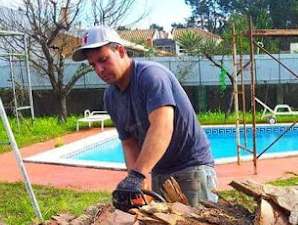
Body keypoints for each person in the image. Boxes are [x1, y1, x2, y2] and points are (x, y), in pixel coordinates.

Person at [72, 25, 218, 207]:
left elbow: (163, 127)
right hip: (159, 170)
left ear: (120, 50)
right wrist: (135, 185)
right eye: (93, 65)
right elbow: (129, 143)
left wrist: (137, 174)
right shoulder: (110, 96)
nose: (100, 69)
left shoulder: (151, 76)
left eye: (103, 60)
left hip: (191, 167)